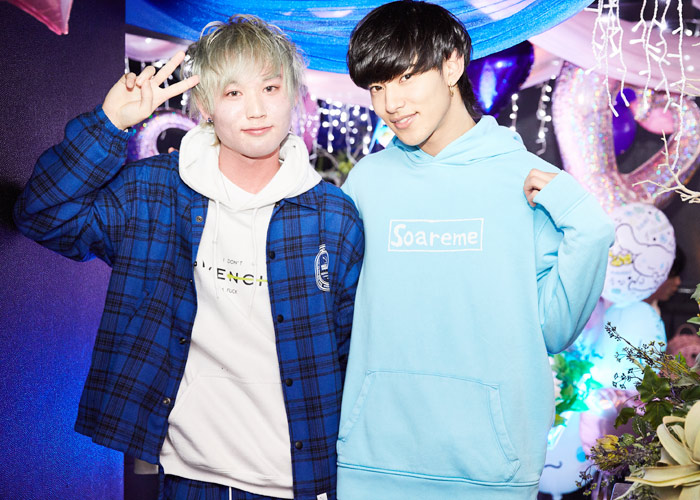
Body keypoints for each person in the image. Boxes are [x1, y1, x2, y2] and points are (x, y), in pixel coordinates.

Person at [14, 15, 364, 500]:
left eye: (270, 87)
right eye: (233, 92)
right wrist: (109, 125)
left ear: (293, 96)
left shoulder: (333, 215)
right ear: (205, 105)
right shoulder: (155, 190)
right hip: (189, 478)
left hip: (299, 483)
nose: (256, 109)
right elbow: (43, 215)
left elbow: (352, 355)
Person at [335, 2, 615, 499]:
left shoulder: (530, 181)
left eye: (405, 77)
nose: (391, 103)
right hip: (372, 462)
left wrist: (588, 226)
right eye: (376, 87)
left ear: (452, 65)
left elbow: (555, 330)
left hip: (491, 472)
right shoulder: (367, 182)